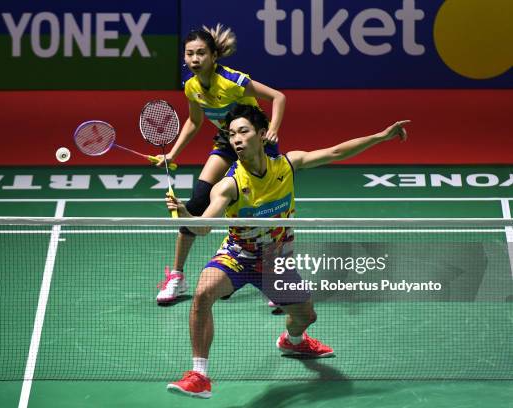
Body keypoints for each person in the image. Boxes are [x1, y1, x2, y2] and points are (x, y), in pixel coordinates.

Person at [164, 104, 410, 398]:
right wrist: (186, 216)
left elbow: (336, 152)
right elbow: (205, 227)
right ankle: (199, 374)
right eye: (231, 135)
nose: (237, 140)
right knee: (204, 293)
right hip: (237, 257)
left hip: (276, 262)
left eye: (243, 131)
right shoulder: (228, 185)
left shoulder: (287, 165)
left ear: (262, 134)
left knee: (306, 317)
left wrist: (381, 137)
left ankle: (294, 341)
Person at [155, 24, 286, 304]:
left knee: (267, 208)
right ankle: (177, 275)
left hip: (255, 143)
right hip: (227, 143)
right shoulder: (191, 87)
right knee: (196, 202)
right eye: (190, 54)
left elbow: (278, 96)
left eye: (201, 53)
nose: (194, 59)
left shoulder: (233, 81)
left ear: (214, 56)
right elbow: (194, 121)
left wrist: (272, 129)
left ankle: (275, 275)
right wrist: (173, 154)